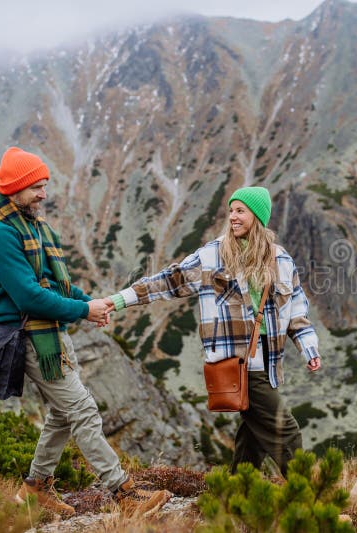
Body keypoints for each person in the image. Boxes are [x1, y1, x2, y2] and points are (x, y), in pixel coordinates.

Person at [0, 147, 171, 516]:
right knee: (82, 410)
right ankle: (124, 494)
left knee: (63, 414)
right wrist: (84, 310)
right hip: (30, 337)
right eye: (37, 187)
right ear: (15, 189)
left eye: (44, 186)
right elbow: (29, 296)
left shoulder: (32, 226)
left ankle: (36, 488)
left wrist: (90, 303)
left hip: (50, 334)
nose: (43, 194)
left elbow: (54, 284)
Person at [104, 186, 321, 477]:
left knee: (253, 436)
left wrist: (308, 348)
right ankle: (311, 498)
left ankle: (233, 494)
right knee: (285, 430)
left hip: (269, 363)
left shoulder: (280, 259)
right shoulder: (212, 256)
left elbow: (296, 309)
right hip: (237, 363)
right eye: (231, 210)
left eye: (240, 211)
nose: (232, 216)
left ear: (257, 216)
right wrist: (118, 300)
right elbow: (169, 281)